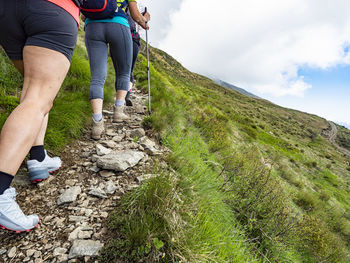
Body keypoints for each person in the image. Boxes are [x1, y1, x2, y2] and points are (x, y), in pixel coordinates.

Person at [0, 0, 79, 232]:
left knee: (34, 93)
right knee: (37, 97)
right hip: (54, 10)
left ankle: (38, 158)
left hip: (7, 10)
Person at [84, 0, 150, 140]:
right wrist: (145, 20)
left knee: (96, 77)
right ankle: (118, 112)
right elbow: (135, 15)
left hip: (92, 26)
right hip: (119, 24)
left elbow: (84, 15)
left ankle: (97, 123)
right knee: (124, 72)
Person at [125, 10, 141, 107]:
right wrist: (145, 18)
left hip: (120, 37)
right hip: (133, 40)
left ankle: (122, 94)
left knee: (122, 69)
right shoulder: (132, 9)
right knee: (129, 69)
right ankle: (127, 93)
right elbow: (141, 20)